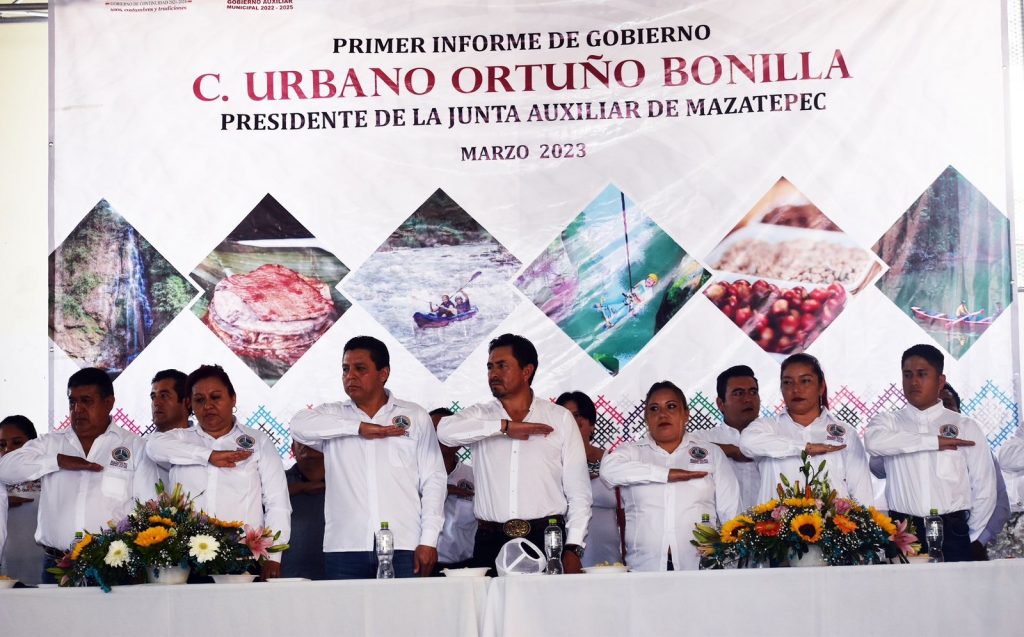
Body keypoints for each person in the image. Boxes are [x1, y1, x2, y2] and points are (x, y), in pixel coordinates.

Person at [290, 336, 446, 579]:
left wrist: (429, 540)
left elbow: (434, 480)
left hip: (405, 544)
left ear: (383, 373)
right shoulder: (333, 415)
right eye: (345, 369)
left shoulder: (414, 416)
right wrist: (358, 428)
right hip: (345, 547)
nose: (350, 376)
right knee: (346, 607)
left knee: (407, 607)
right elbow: (298, 425)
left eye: (360, 368)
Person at [437, 334, 592, 575]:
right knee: (490, 601)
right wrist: (504, 427)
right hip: (490, 539)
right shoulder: (480, 415)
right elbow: (445, 432)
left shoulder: (559, 418)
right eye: (490, 367)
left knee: (546, 601)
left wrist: (574, 547)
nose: (493, 374)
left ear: (526, 371)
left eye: (502, 366)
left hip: (546, 538)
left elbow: (579, 493)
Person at [0, 368, 159, 582]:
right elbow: (5, 469)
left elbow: (148, 507)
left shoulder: (135, 447)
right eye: (72, 402)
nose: (78, 409)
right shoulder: (50, 444)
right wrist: (57, 461)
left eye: (86, 401)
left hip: (114, 565)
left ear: (109, 403)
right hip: (57, 565)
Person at [146, 364, 291, 580]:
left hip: (242, 556)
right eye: (199, 400)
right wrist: (208, 456)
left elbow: (277, 502)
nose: (208, 406)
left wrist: (273, 556)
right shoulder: (179, 439)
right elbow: (153, 447)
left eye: (216, 397)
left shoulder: (258, 442)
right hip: (185, 558)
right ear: (190, 404)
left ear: (233, 398)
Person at [864, 345, 997, 562]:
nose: (914, 382)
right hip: (904, 530)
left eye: (922, 374)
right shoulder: (888, 422)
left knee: (954, 586)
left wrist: (968, 536)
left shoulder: (966, 426)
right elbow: (873, 442)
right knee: (905, 585)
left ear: (940, 380)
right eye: (908, 375)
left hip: (953, 531)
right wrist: (933, 442)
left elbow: (985, 488)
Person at [601, 381, 741, 571]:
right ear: (646, 418)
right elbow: (607, 471)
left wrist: (730, 569)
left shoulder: (711, 453)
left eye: (671, 406)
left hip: (699, 568)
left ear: (686, 414)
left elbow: (732, 516)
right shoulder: (632, 452)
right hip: (644, 568)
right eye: (654, 408)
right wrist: (665, 474)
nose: (662, 414)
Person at [740, 354, 874, 507]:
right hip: (773, 521)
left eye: (805, 381)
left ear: (821, 387)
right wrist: (805, 448)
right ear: (781, 388)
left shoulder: (846, 433)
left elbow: (862, 494)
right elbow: (747, 443)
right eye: (787, 382)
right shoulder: (766, 427)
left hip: (834, 521)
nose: (796, 389)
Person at [556, 391, 623, 567]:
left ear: (592, 424)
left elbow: (630, 512)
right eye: (565, 415)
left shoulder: (612, 461)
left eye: (577, 415)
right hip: (564, 558)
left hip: (608, 559)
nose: (571, 421)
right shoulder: (550, 464)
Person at [690, 366, 762, 510]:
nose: (748, 399)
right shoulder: (703, 438)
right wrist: (730, 451)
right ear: (720, 404)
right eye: (738, 393)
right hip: (718, 523)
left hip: (773, 522)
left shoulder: (774, 435)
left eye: (753, 392)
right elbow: (680, 450)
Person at [430, 407, 477, 572]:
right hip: (419, 563)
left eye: (446, 432)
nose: (440, 438)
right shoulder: (409, 476)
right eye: (434, 431)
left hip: (464, 567)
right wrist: (441, 491)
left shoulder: (475, 476)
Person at [0, 415, 44, 585]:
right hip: (6, 567)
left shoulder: (48, 475)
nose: (8, 450)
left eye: (17, 443)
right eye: (2, 445)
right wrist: (4, 502)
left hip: (45, 565)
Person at [281, 440, 326, 580]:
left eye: (313, 440)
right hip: (288, 577)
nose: (308, 445)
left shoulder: (348, 480)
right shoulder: (278, 480)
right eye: (301, 440)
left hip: (340, 575)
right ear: (292, 449)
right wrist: (300, 488)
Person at [150, 369, 190, 434]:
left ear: (187, 403)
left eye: (164, 396)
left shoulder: (202, 439)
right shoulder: (141, 440)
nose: (156, 403)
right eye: (153, 397)